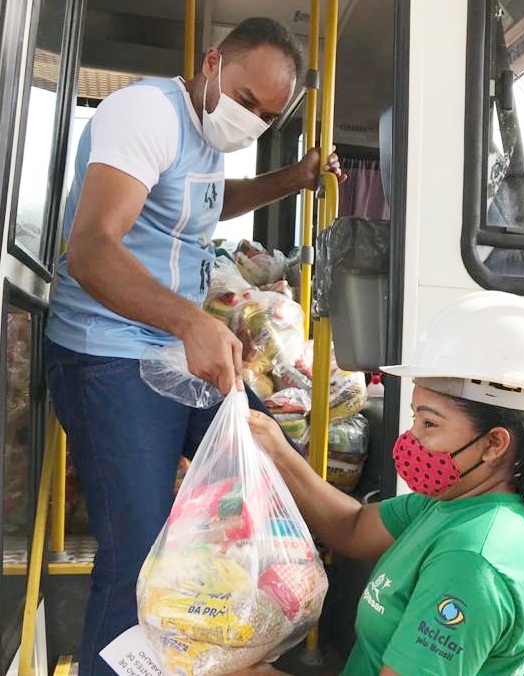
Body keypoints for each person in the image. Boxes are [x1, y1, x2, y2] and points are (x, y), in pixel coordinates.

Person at [44, 17, 344, 676]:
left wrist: (291, 178)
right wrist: (191, 323)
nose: (251, 121)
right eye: (245, 100)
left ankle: (218, 649)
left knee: (278, 470)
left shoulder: (208, 142)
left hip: (168, 353)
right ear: (212, 63)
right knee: (140, 556)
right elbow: (92, 248)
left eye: (267, 117)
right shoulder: (144, 113)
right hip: (107, 353)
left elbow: (210, 202)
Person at [246, 290, 524, 676]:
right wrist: (277, 450)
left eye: (429, 424)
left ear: (494, 443)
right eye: (415, 418)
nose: (411, 439)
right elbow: (353, 527)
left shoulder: (472, 561)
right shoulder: (449, 502)